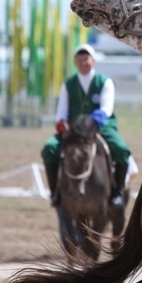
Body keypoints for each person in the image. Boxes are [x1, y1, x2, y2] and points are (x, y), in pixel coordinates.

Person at [41, 43, 132, 207]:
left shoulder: (105, 82)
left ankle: (117, 191)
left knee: (121, 150)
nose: (83, 62)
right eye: (80, 59)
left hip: (100, 126)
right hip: (74, 130)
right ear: (75, 62)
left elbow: (106, 109)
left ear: (93, 61)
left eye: (86, 59)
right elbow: (61, 113)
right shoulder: (68, 84)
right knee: (49, 149)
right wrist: (64, 126)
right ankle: (55, 192)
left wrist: (90, 124)